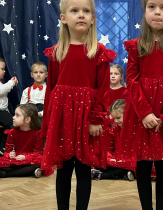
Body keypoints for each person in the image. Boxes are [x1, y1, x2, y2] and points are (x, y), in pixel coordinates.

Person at [115, 0, 163, 209]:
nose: (157, 12)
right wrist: (145, 114)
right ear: (145, 11)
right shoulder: (137, 45)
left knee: (162, 165)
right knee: (142, 164)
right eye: (152, 7)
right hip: (141, 113)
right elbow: (131, 80)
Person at [41, 0, 117, 209]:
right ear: (64, 18)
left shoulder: (98, 52)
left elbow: (103, 91)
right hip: (63, 119)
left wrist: (95, 119)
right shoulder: (57, 52)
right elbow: (52, 90)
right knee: (63, 170)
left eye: (86, 11)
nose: (81, 15)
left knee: (83, 170)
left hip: (86, 120)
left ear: (92, 19)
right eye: (75, 11)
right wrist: (49, 124)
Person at [91, 99, 135, 181]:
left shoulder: (136, 131)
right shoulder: (114, 131)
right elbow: (108, 149)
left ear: (128, 114)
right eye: (114, 118)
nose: (116, 121)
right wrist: (107, 158)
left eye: (118, 118)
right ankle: (126, 174)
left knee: (134, 166)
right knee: (99, 162)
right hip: (117, 160)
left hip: (132, 162)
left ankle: (102, 175)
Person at [0, 104, 46, 178]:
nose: (13, 117)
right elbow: (7, 151)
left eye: (17, 115)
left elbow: (38, 153)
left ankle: (5, 174)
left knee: (39, 163)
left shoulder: (38, 134)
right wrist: (9, 154)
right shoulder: (12, 132)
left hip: (30, 159)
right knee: (3, 161)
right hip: (16, 159)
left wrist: (25, 157)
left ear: (27, 120)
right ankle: (29, 172)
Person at [0, 58, 18, 155]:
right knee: (13, 122)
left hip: (3, 111)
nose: (4, 71)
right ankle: (3, 147)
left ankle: (3, 146)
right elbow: (1, 91)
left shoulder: (1, 82)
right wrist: (12, 83)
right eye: (2, 69)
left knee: (12, 123)